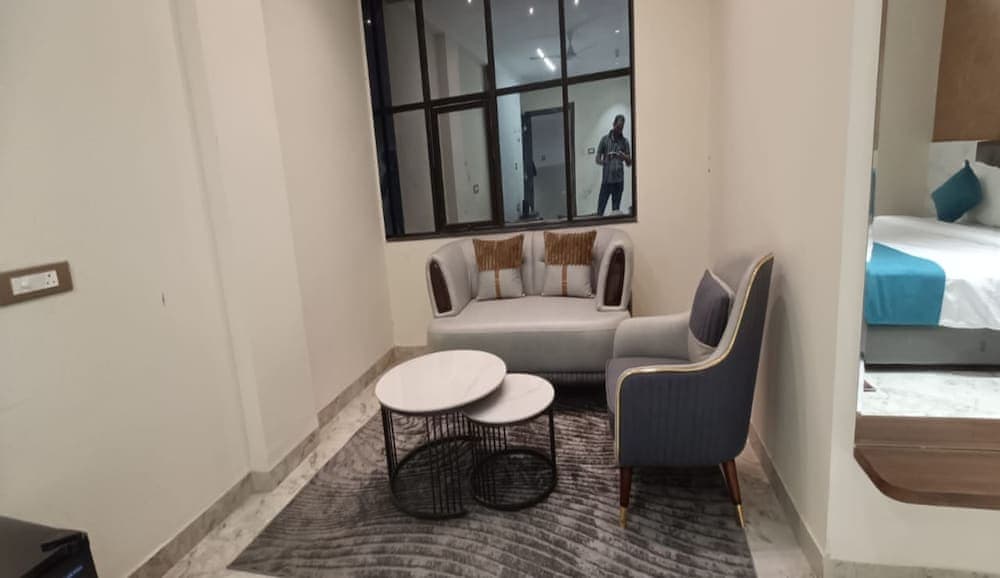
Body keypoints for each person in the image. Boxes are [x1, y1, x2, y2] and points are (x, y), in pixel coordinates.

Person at [595, 114, 632, 216]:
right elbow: (597, 159)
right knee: (600, 211)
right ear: (613, 124)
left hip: (619, 182)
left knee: (615, 212)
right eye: (618, 127)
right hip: (606, 181)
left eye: (621, 128)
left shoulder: (625, 142)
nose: (619, 130)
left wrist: (624, 156)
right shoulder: (604, 140)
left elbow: (629, 163)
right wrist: (605, 161)